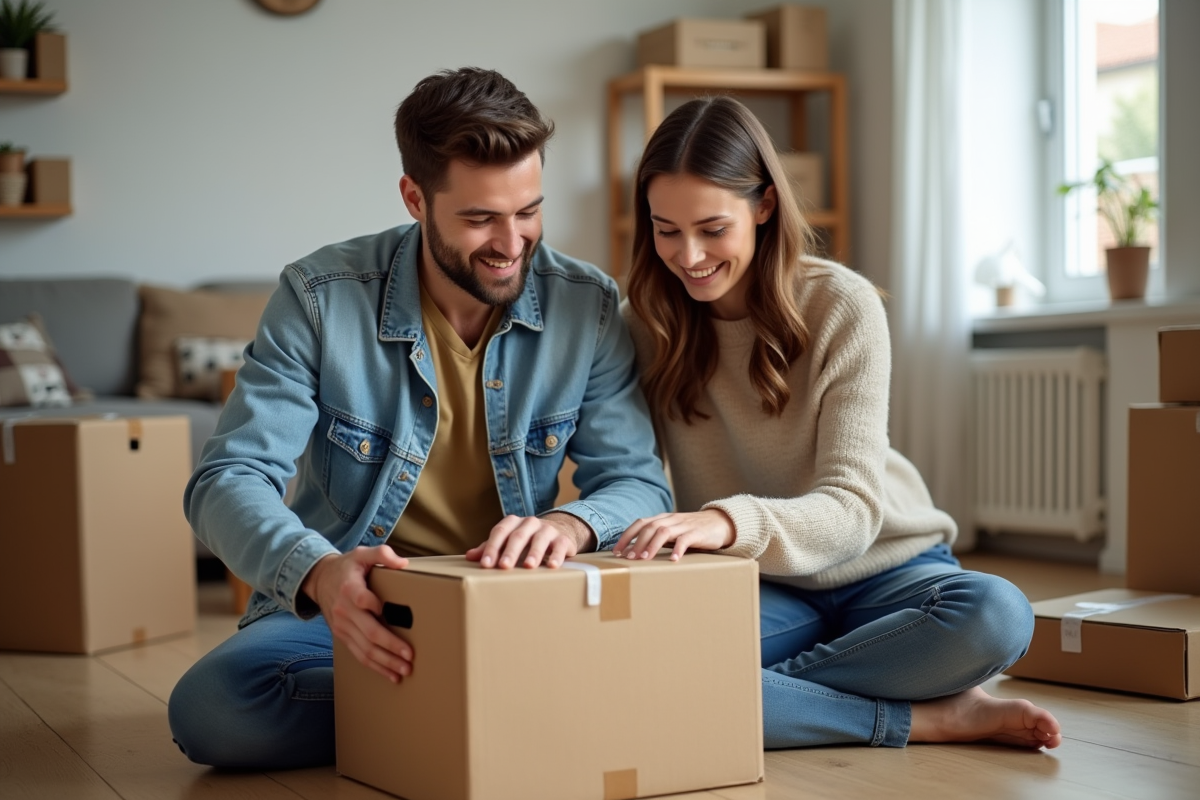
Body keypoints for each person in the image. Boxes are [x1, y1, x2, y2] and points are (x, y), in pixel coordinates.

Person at [167, 67, 672, 769]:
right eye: (478, 218)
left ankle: (448, 710)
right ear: (414, 197)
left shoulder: (586, 305)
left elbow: (641, 486)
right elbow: (226, 480)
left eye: (528, 210)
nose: (512, 242)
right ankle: (525, 709)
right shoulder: (320, 297)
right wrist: (319, 574)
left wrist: (567, 524)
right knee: (214, 709)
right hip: (364, 611)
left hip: (518, 610)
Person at [613, 96, 1062, 751]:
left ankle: (756, 699)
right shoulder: (644, 323)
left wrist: (726, 521)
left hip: (889, 570)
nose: (689, 255)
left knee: (998, 615)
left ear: (763, 206)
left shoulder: (841, 304)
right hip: (758, 585)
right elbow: (623, 467)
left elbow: (852, 511)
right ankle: (924, 715)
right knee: (635, 662)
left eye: (713, 228)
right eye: (666, 230)